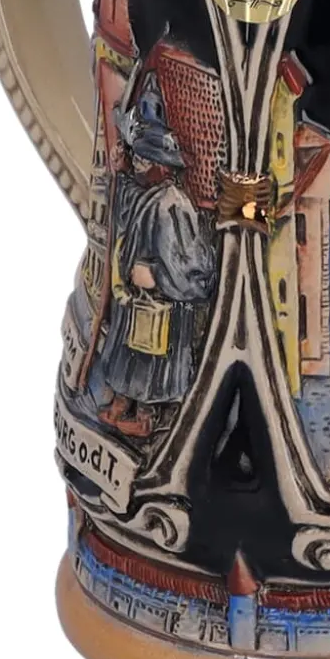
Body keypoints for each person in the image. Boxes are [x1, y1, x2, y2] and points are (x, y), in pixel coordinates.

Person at [97, 73, 216, 440]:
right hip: (136, 303)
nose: (136, 164)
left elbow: (196, 272)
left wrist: (158, 278)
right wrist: (118, 172)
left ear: (159, 163)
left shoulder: (172, 206)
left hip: (164, 309)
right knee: (126, 354)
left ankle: (147, 416)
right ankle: (120, 402)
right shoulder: (144, 194)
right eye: (135, 158)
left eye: (141, 159)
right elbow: (125, 204)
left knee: (151, 364)